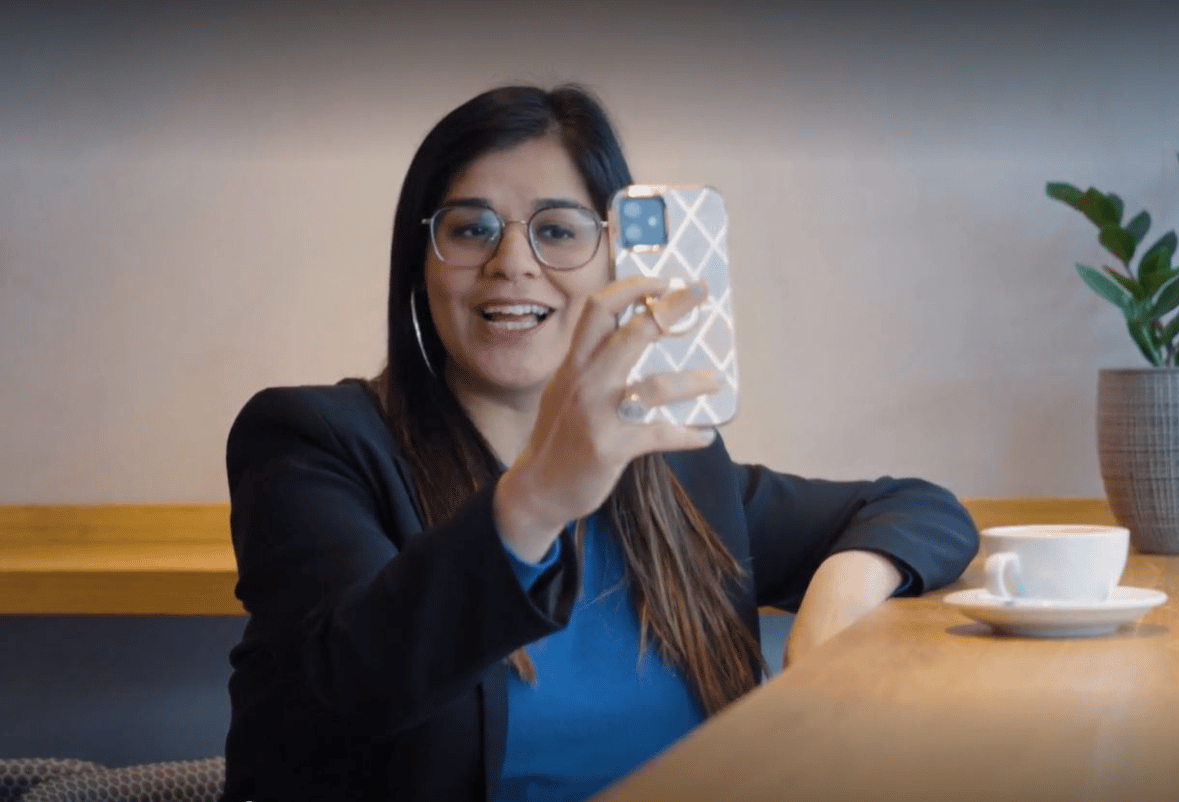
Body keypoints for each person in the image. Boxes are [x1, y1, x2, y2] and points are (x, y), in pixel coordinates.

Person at [218, 84, 978, 802]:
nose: (512, 262)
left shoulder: (674, 470)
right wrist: (537, 497)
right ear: (421, 267)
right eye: (471, 228)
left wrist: (837, 602)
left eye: (556, 229)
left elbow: (919, 510)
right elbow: (346, 687)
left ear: (618, 263)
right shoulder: (310, 443)